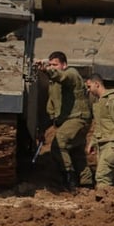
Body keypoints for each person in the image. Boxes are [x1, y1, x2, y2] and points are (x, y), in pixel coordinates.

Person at [38, 51, 93, 190]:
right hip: (69, 119)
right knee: (76, 151)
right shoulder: (54, 83)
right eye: (50, 64)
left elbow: (61, 77)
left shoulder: (71, 74)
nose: (52, 67)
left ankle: (69, 179)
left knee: (59, 143)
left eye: (55, 65)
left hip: (78, 117)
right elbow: (52, 104)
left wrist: (46, 70)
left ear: (64, 65)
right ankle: (86, 183)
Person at [86, 73, 114, 189]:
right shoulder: (100, 102)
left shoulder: (112, 101)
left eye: (89, 86)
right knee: (110, 179)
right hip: (103, 144)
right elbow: (100, 126)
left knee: (102, 177)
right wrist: (93, 142)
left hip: (111, 144)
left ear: (97, 84)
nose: (88, 90)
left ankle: (103, 203)